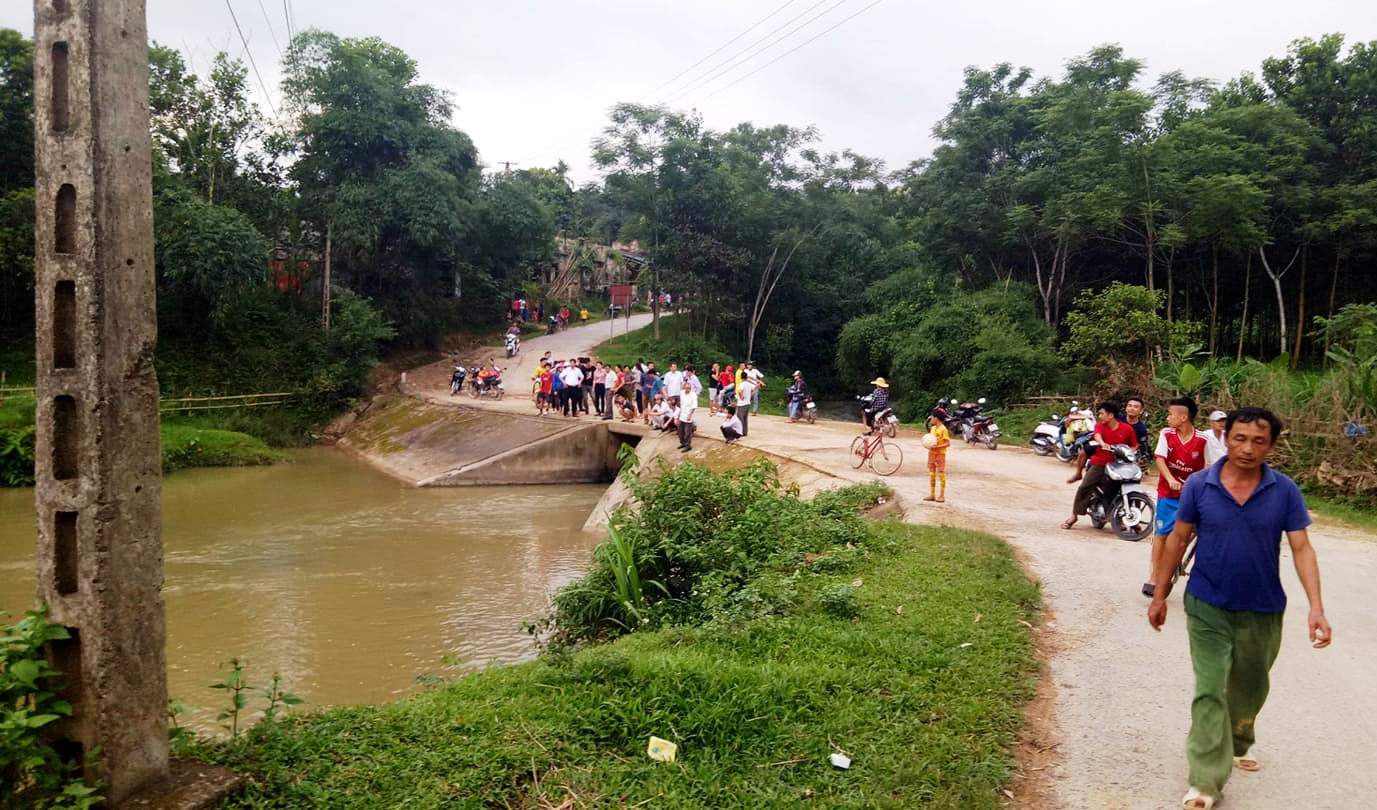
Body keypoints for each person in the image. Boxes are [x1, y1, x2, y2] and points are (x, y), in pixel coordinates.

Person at [1148, 407, 1331, 810]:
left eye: (1259, 441)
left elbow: (1302, 547)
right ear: (1225, 438)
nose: (1247, 448)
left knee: (1250, 687)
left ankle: (1239, 738)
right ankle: (1205, 782)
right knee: (1210, 689)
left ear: (1272, 446)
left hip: (1263, 609)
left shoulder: (1284, 491)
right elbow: (1178, 540)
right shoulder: (1199, 485)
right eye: (1240, 438)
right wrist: (1161, 594)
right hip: (1207, 603)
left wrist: (1316, 607)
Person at [1143, 396, 1223, 597]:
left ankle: (1174, 567)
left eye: (1171, 414)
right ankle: (1154, 576)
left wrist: (1203, 480)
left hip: (1193, 496)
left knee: (1187, 535)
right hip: (1168, 493)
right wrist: (1170, 478)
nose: (1168, 418)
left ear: (1183, 417)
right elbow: (1160, 458)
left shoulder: (1204, 440)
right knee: (1161, 534)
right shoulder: (1167, 434)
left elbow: (1215, 463)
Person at [1062, 401, 1138, 529]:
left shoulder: (1127, 429)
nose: (1100, 416)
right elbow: (1097, 436)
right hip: (1100, 462)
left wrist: (1130, 451)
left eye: (1102, 414)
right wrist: (1102, 443)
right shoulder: (1100, 426)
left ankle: (1126, 519)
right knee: (1085, 487)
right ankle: (1074, 516)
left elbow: (1134, 444)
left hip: (1118, 466)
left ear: (1111, 415)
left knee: (1123, 490)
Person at [924, 409, 951, 502]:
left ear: (936, 418)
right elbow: (930, 440)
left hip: (940, 454)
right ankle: (932, 494)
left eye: (932, 417)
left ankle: (942, 495)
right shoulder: (933, 428)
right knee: (931, 473)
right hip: (931, 453)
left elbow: (948, 443)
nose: (931, 419)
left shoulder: (943, 429)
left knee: (941, 473)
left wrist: (938, 446)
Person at [736, 370, 757, 437]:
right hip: (747, 403)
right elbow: (754, 390)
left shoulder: (742, 384)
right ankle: (745, 432)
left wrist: (741, 396)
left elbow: (740, 391)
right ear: (746, 377)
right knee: (745, 418)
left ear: (741, 377)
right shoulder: (749, 384)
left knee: (740, 418)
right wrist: (750, 396)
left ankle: (740, 432)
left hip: (741, 404)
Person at [677, 381, 697, 451]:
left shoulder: (693, 395)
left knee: (687, 432)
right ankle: (683, 443)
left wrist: (690, 415)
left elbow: (694, 406)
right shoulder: (682, 393)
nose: (688, 389)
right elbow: (681, 404)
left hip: (689, 415)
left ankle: (688, 446)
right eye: (686, 388)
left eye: (689, 388)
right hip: (682, 414)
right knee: (680, 431)